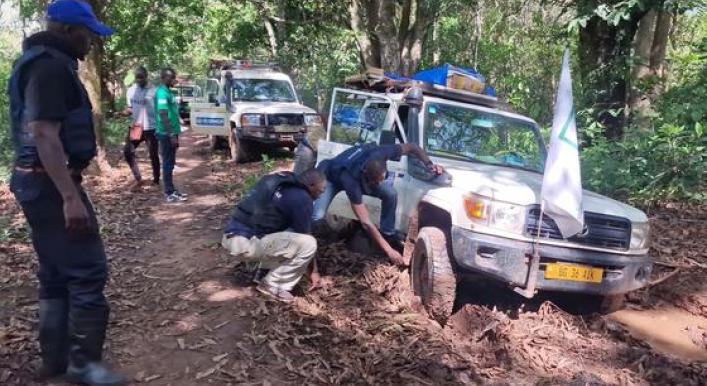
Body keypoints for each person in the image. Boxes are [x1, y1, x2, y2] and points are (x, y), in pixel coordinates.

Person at [7, 1, 126, 385]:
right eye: (87, 34)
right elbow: (44, 133)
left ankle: (54, 362)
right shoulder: (49, 67)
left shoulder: (43, 62)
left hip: (38, 181)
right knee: (88, 269)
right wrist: (70, 197)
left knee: (56, 272)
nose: (90, 41)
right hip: (49, 184)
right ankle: (83, 367)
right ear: (67, 31)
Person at [313, 143, 444, 266]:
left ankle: (388, 234)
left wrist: (429, 164)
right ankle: (315, 252)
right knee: (317, 217)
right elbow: (366, 222)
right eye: (376, 182)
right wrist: (389, 251)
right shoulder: (351, 180)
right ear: (366, 175)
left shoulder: (381, 152)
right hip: (330, 177)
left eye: (382, 179)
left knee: (390, 193)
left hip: (363, 175)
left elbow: (413, 147)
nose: (378, 184)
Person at [222, 169, 327, 302]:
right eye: (321, 190)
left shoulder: (282, 182)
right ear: (311, 185)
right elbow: (305, 234)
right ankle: (274, 285)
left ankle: (262, 271)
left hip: (231, 236)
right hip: (246, 244)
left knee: (289, 234)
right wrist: (314, 272)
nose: (321, 195)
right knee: (309, 243)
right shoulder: (302, 199)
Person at [123, 66, 159, 187]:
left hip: (151, 127)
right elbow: (130, 108)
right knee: (128, 151)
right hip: (137, 127)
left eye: (141, 77)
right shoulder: (131, 91)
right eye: (137, 78)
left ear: (146, 77)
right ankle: (138, 179)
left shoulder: (154, 91)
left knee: (153, 154)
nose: (139, 80)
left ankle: (156, 179)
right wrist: (124, 112)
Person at [154, 67, 187, 202]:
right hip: (166, 133)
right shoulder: (162, 92)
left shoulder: (169, 91)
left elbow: (172, 111)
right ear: (163, 78)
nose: (173, 79)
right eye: (171, 77)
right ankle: (168, 193)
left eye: (174, 77)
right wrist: (171, 134)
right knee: (168, 163)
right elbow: (163, 114)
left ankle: (172, 190)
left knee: (171, 162)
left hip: (171, 132)